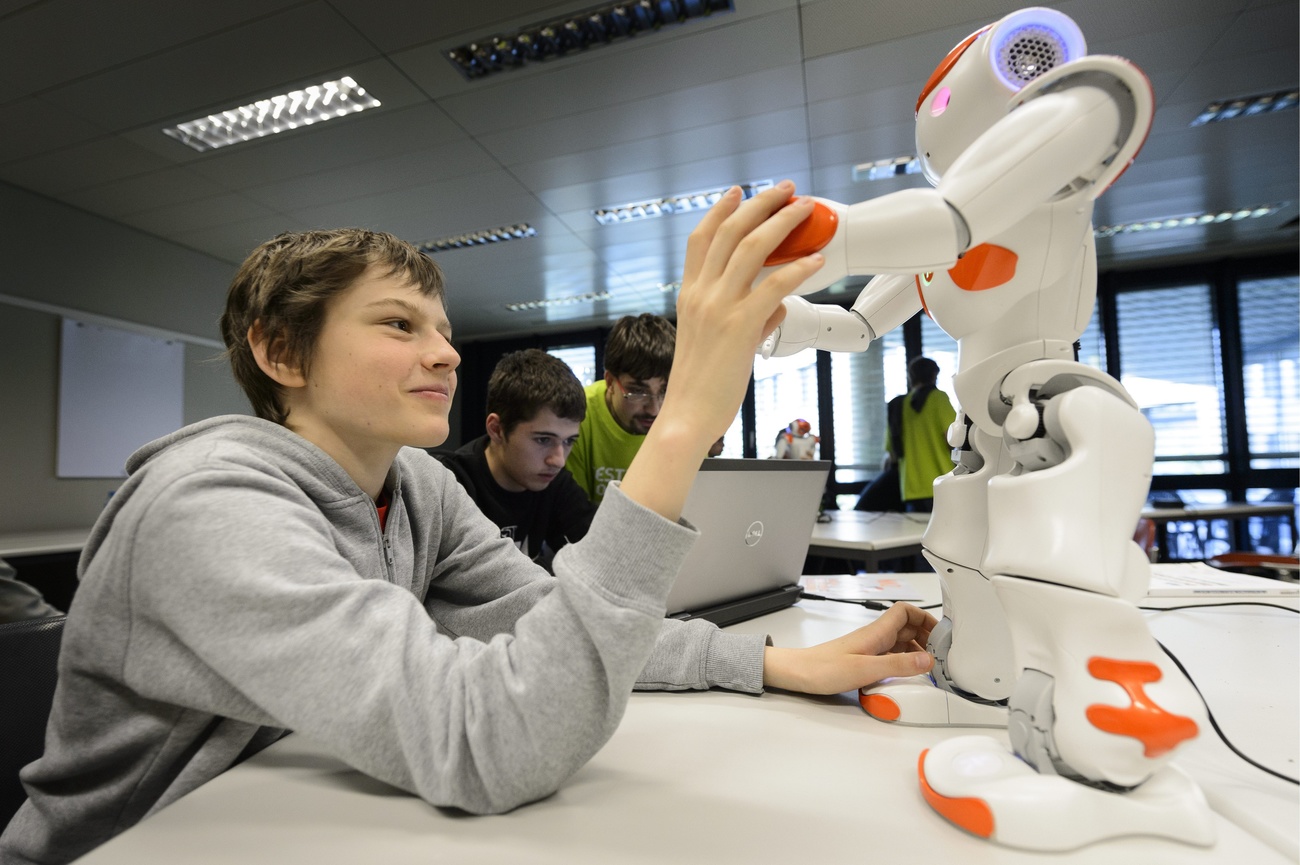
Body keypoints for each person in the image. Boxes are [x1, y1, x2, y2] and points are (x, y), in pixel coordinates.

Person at [0, 185, 937, 865]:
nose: (446, 351)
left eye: (441, 327)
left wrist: (769, 665)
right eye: (399, 325)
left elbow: (553, 622)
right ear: (281, 352)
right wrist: (685, 417)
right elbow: (490, 742)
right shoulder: (207, 508)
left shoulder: (413, 485)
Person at [436, 348, 596, 571]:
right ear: (497, 429)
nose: (558, 460)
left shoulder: (555, 484)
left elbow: (602, 559)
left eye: (569, 441)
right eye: (543, 440)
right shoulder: (450, 485)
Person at [564, 313, 674, 504]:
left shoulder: (680, 419)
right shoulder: (576, 416)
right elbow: (572, 515)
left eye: (665, 390)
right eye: (638, 391)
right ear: (610, 382)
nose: (654, 409)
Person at [891, 356, 956, 513]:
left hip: (911, 489)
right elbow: (954, 439)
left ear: (910, 377)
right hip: (942, 483)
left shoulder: (898, 406)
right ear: (934, 375)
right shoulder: (938, 398)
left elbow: (892, 455)